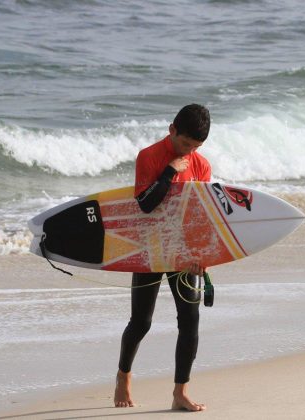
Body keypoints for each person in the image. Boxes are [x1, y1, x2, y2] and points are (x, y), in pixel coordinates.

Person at [114, 104, 211, 412]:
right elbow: (145, 204)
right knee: (141, 322)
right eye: (186, 144)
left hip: (183, 251)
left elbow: (200, 214)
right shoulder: (149, 156)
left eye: (196, 147)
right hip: (150, 249)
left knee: (190, 320)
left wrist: (202, 255)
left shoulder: (202, 165)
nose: (190, 151)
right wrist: (171, 170)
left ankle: (180, 392)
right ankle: (123, 375)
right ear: (172, 130)